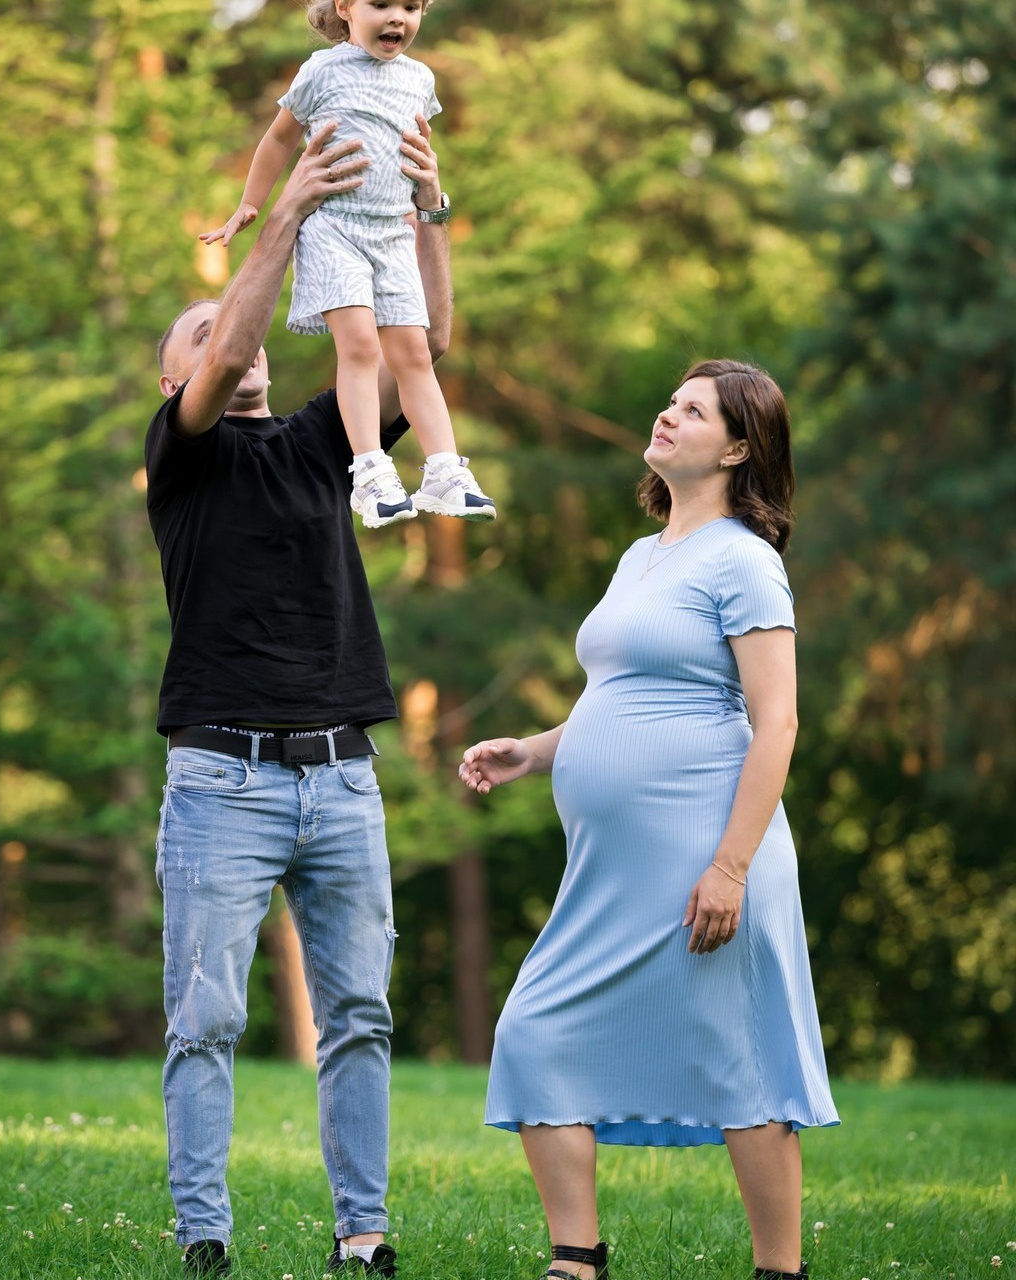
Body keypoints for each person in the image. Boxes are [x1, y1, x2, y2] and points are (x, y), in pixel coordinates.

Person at [145, 116, 452, 1279]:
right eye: (206, 334)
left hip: (340, 776)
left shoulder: (324, 444)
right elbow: (225, 351)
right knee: (207, 1021)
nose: (242, 342)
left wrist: (426, 211)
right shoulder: (181, 456)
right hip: (219, 779)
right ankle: (203, 1235)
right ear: (176, 372)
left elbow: (426, 347)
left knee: (360, 1016)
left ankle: (362, 1234)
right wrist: (283, 217)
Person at [459, 360, 839, 1280]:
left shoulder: (746, 560)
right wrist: (537, 750)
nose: (668, 415)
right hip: (614, 867)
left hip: (708, 850)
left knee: (739, 1062)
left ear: (739, 447)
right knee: (536, 1029)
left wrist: (732, 868)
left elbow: (776, 721)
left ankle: (778, 1271)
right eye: (669, 400)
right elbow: (624, 698)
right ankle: (576, 1258)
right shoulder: (644, 555)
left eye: (694, 410)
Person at [200, 0, 495, 530]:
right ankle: (370, 470)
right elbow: (279, 138)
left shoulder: (419, 79)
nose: (397, 18)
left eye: (410, 6)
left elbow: (414, 153)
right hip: (335, 227)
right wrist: (251, 201)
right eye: (381, 4)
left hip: (392, 231)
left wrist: (429, 199)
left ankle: (444, 470)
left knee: (414, 353)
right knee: (359, 344)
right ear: (345, 8)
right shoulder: (322, 70)